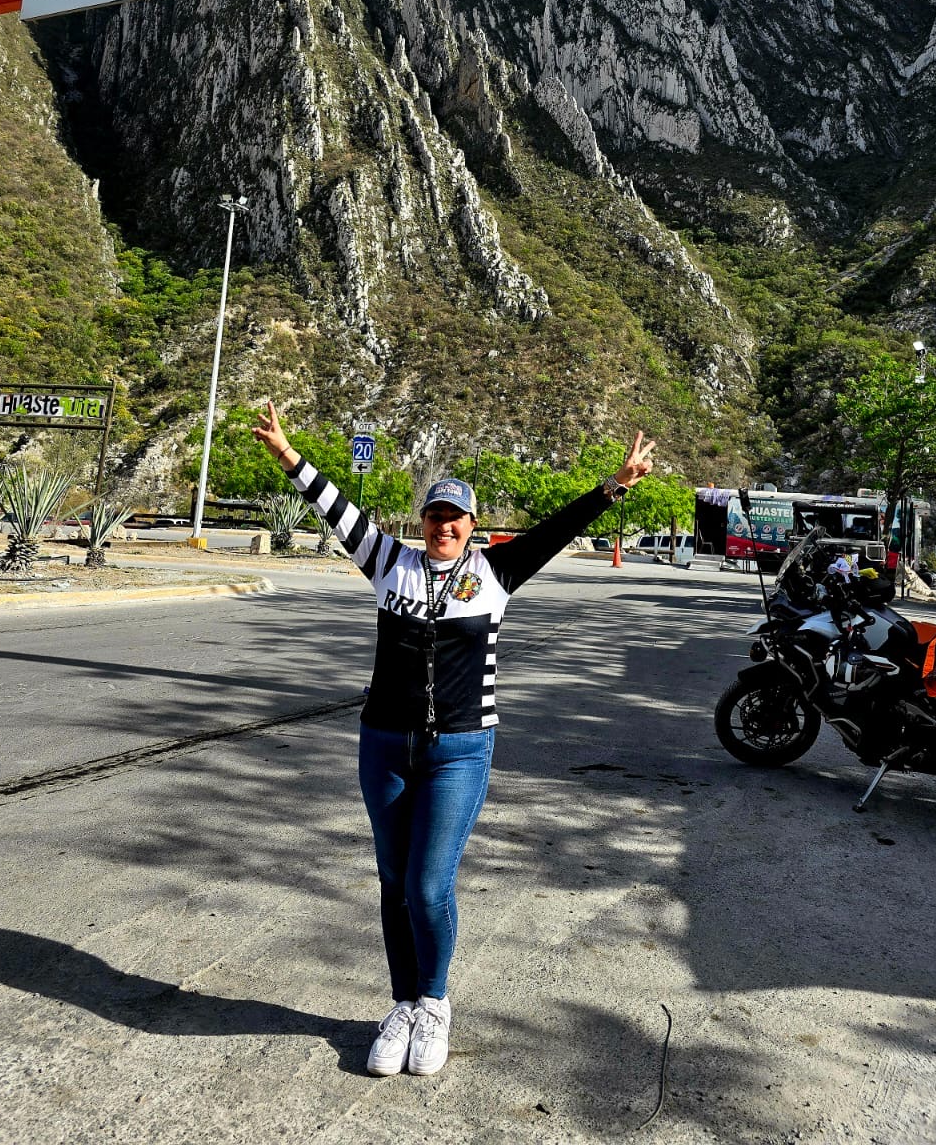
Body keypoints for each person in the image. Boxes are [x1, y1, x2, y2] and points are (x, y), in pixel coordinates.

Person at [251, 402, 655, 1078]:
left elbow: (557, 529)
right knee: (390, 882)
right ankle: (402, 1005)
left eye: (456, 519)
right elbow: (336, 508)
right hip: (383, 744)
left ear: (472, 529)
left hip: (460, 751)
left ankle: (434, 1004)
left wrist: (614, 485)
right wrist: (290, 457)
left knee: (428, 883)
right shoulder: (388, 563)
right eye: (435, 516)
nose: (444, 526)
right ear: (423, 523)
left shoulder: (495, 573)